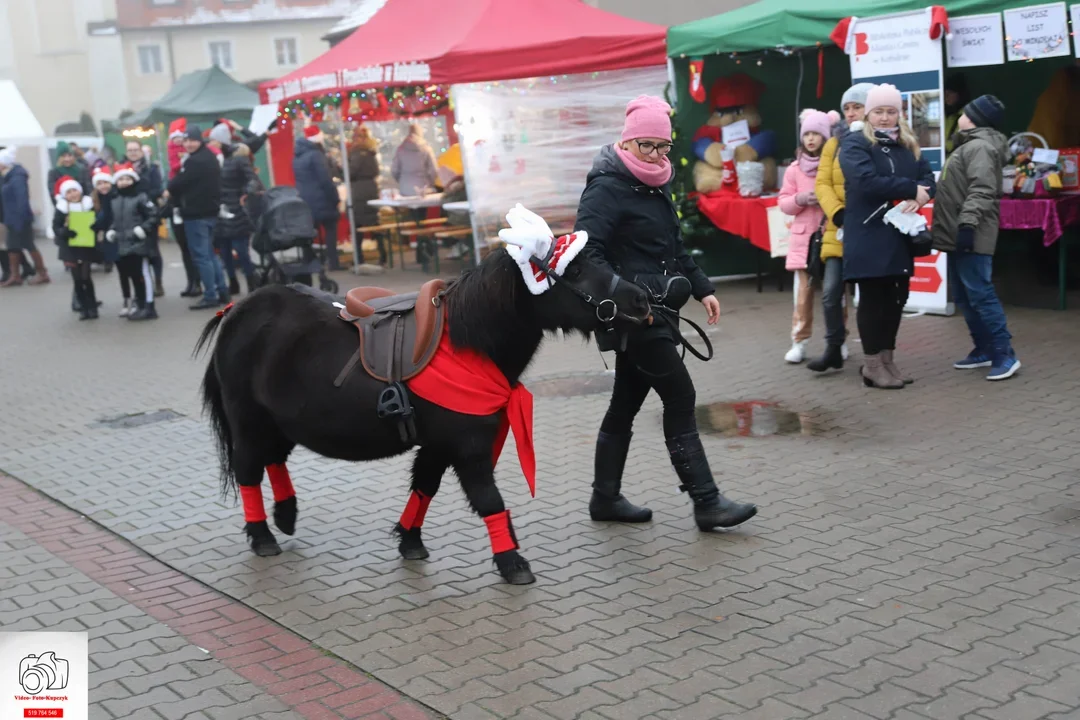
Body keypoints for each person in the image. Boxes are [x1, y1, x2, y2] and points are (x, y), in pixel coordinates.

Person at [574, 95, 757, 531]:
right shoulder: (606, 186)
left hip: (660, 311)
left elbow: (673, 248)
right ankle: (706, 501)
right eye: (647, 146)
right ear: (628, 142)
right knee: (681, 397)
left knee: (624, 404)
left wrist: (702, 287)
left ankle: (605, 498)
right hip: (635, 317)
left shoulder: (656, 182)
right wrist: (628, 298)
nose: (656, 156)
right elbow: (586, 255)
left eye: (663, 146)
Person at [840, 84, 935, 389]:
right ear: (868, 113)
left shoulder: (908, 145)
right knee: (873, 299)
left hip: (899, 234)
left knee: (897, 298)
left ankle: (888, 361)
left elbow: (928, 179)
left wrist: (922, 197)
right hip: (868, 233)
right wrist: (910, 189)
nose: (884, 118)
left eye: (890, 111)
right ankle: (871, 365)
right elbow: (866, 181)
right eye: (878, 111)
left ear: (899, 113)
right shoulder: (854, 143)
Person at [932, 95, 1020, 381]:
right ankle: (983, 349)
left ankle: (1004, 353)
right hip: (958, 234)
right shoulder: (967, 146)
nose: (960, 115)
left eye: (966, 112)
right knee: (964, 296)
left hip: (971, 233)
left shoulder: (979, 147)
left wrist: (968, 225)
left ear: (974, 118)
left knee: (981, 294)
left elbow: (982, 190)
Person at [808, 83, 874, 372]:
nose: (851, 113)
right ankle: (833, 347)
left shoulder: (877, 140)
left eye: (857, 107)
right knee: (830, 292)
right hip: (838, 229)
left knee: (870, 296)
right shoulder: (834, 142)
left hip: (870, 229)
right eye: (847, 108)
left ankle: (875, 354)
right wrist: (836, 212)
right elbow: (821, 182)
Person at [778, 109, 838, 363]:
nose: (811, 139)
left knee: (836, 294)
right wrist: (800, 199)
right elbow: (783, 203)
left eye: (817, 133)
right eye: (807, 134)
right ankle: (799, 342)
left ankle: (838, 340)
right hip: (804, 242)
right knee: (802, 296)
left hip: (832, 237)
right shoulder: (793, 170)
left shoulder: (836, 165)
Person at [168, 125, 229, 310]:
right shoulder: (209, 157)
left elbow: (177, 184)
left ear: (199, 141)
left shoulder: (194, 161)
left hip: (196, 214)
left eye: (192, 140)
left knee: (202, 256)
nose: (188, 144)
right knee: (210, 254)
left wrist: (172, 186)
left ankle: (210, 295)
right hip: (209, 212)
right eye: (185, 141)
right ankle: (222, 290)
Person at [107, 162, 159, 321]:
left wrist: (144, 229)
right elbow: (117, 220)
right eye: (121, 179)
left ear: (133, 180)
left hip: (139, 243)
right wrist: (112, 230)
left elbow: (153, 215)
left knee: (143, 274)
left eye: (127, 179)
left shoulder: (141, 197)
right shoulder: (115, 200)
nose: (124, 182)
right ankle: (140, 304)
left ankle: (149, 306)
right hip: (123, 243)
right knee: (133, 276)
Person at [52, 175, 101, 319]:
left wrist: (94, 227)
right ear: (64, 195)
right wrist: (64, 232)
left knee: (86, 276)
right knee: (77, 278)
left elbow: (96, 221)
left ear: (79, 191)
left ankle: (92, 306)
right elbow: (56, 226)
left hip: (85, 246)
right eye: (69, 192)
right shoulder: (61, 208)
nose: (73, 194)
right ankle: (83, 307)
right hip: (69, 248)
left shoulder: (88, 204)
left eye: (74, 190)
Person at [215, 142, 262, 294]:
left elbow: (252, 180)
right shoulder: (219, 159)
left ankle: (242, 282)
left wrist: (246, 193)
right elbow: (253, 180)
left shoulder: (234, 161)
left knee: (233, 250)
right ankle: (242, 282)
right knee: (231, 250)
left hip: (231, 209)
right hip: (225, 209)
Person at [293, 125, 341, 270]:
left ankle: (309, 262)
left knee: (309, 233)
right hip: (322, 199)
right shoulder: (316, 155)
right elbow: (325, 180)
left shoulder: (297, 155)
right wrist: (335, 198)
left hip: (305, 200)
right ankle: (334, 262)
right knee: (330, 230)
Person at [1, 147, 50, 286]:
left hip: (20, 219)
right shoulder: (9, 176)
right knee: (12, 247)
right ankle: (15, 275)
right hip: (11, 218)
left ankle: (42, 273)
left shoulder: (17, 177)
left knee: (29, 245)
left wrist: (20, 219)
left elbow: (21, 199)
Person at [124, 139, 165, 297]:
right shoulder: (122, 168)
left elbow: (157, 189)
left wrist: (143, 197)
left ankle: (158, 281)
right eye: (130, 150)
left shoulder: (151, 168)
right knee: (137, 253)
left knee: (153, 250)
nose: (133, 153)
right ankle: (143, 283)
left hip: (148, 214)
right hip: (130, 216)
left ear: (141, 151)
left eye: (136, 150)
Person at [166, 118, 200, 298]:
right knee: (185, 249)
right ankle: (191, 281)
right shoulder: (174, 155)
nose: (181, 143)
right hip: (178, 207)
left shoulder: (195, 160)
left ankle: (199, 282)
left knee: (196, 249)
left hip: (192, 209)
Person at [391, 124, 438, 197]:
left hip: (404, 187)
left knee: (407, 208)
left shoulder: (400, 149)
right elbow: (433, 170)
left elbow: (394, 170)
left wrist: (401, 180)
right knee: (423, 207)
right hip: (423, 188)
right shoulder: (427, 149)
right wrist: (431, 183)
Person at [943, 75, 970, 155]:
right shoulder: (945, 114)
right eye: (945, 93)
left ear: (959, 94)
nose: (946, 96)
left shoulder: (966, 117)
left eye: (950, 93)